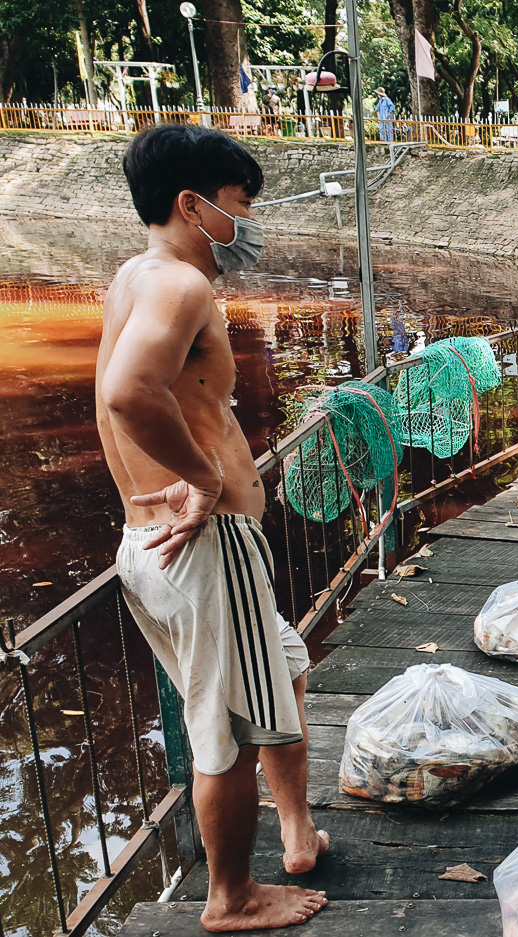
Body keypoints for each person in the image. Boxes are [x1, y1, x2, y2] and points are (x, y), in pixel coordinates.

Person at [98, 124, 330, 931]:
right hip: (204, 545)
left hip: (152, 547)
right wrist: (201, 479)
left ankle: (296, 832)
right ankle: (232, 896)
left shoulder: (134, 277)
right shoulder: (181, 287)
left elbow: (137, 394)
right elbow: (130, 392)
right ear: (195, 206)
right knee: (223, 724)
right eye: (242, 204)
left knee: (283, 661)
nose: (251, 221)